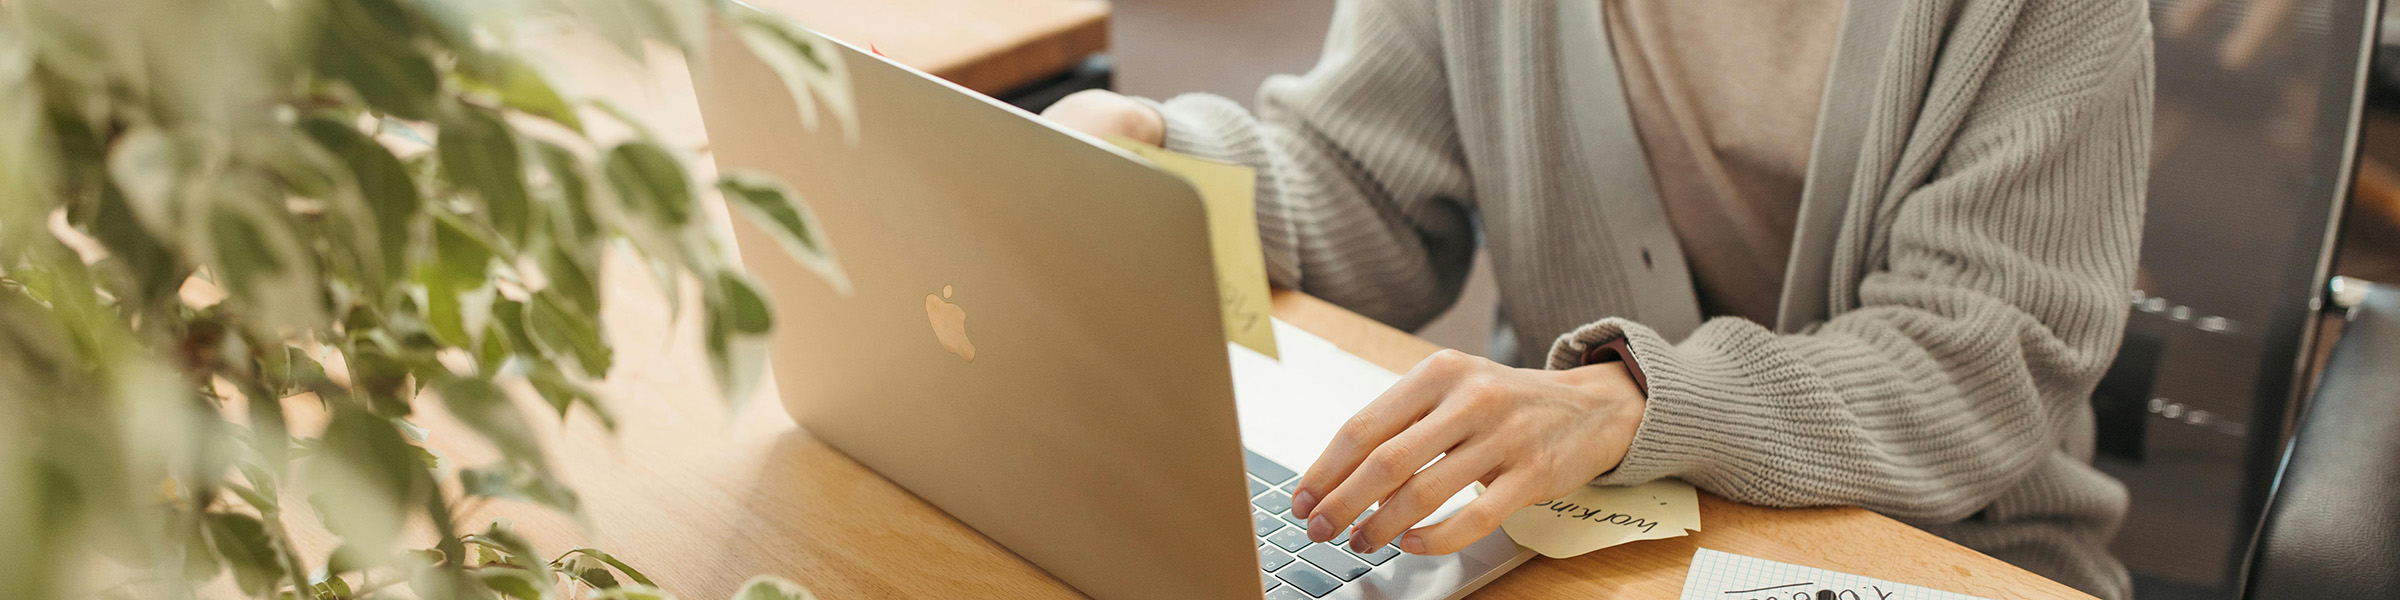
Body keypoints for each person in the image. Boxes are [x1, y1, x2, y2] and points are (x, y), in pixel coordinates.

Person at [1043, 0, 2150, 597]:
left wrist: (1624, 405)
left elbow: (1978, 360)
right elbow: (1365, 180)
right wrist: (1166, 159)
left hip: (1936, 544)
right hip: (1566, 533)